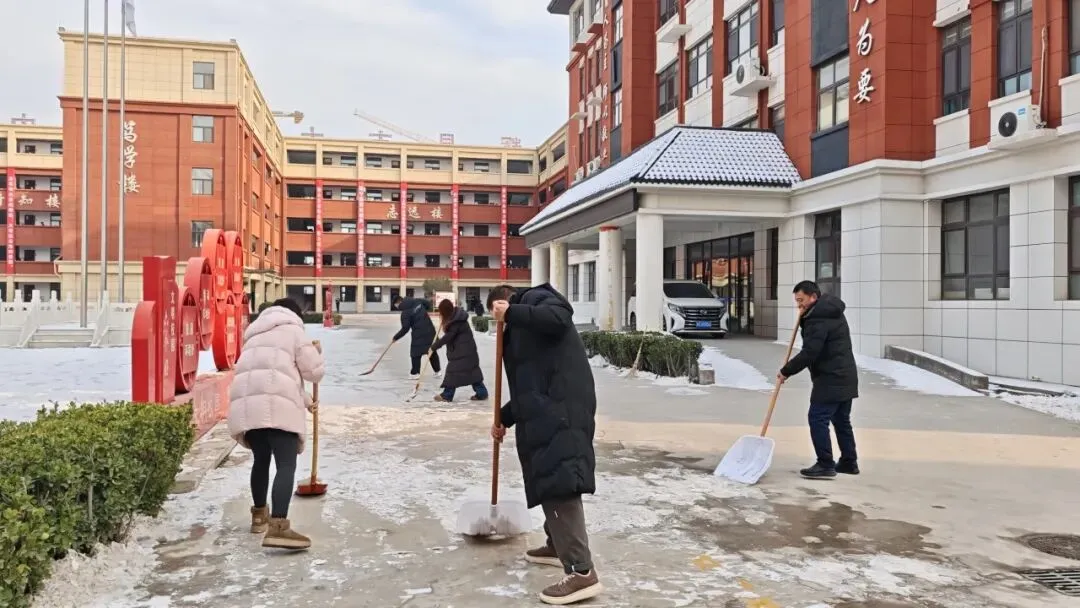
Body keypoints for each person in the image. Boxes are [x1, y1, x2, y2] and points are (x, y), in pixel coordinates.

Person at [488, 283, 602, 605]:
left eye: (500, 315)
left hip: (562, 407)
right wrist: (503, 418)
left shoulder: (538, 299)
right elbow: (529, 388)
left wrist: (511, 312)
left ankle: (582, 573)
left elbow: (559, 318)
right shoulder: (523, 331)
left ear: (503, 301)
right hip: (549, 405)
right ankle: (557, 543)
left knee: (559, 479)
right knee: (548, 473)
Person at [227, 297, 326, 549]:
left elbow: (273, 377)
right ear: (295, 314)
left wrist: (304, 401)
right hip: (278, 412)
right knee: (285, 464)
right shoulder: (293, 331)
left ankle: (259, 516)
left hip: (250, 411)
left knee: (261, 460)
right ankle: (279, 526)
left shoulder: (254, 336)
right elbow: (313, 372)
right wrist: (315, 353)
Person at [777, 280, 860, 480]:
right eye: (797, 302)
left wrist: (786, 371)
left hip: (831, 378)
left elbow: (810, 352)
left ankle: (825, 464)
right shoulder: (830, 311)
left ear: (813, 296)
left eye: (801, 300)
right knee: (841, 420)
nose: (800, 306)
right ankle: (849, 462)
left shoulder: (818, 318)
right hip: (845, 375)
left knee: (817, 418)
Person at [430, 299, 488, 402]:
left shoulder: (456, 322)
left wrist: (434, 347)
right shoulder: (455, 318)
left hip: (463, 352)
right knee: (472, 373)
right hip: (466, 351)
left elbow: (448, 337)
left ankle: (447, 395)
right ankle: (482, 393)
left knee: (453, 372)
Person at [392, 295, 442, 379]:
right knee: (431, 350)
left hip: (418, 334)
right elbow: (427, 304)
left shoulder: (405, 313)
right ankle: (437, 371)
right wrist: (422, 312)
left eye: (396, 305)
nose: (397, 307)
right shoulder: (416, 301)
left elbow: (405, 328)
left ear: (398, 303)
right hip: (430, 329)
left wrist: (395, 337)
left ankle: (415, 373)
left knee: (415, 353)